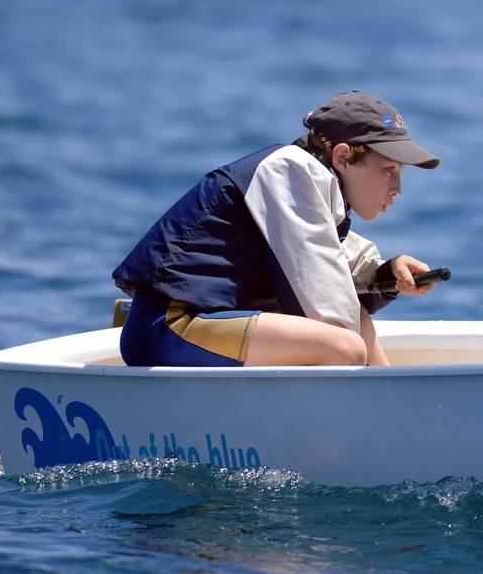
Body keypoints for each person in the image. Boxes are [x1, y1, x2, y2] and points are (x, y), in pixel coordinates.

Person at [112, 90, 441, 367]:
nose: (397, 188)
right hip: (168, 326)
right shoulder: (289, 170)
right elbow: (327, 304)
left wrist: (386, 271)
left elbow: (327, 255)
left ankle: (388, 412)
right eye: (388, 169)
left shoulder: (308, 181)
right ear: (342, 157)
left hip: (198, 322)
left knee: (355, 328)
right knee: (345, 345)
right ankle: (381, 420)